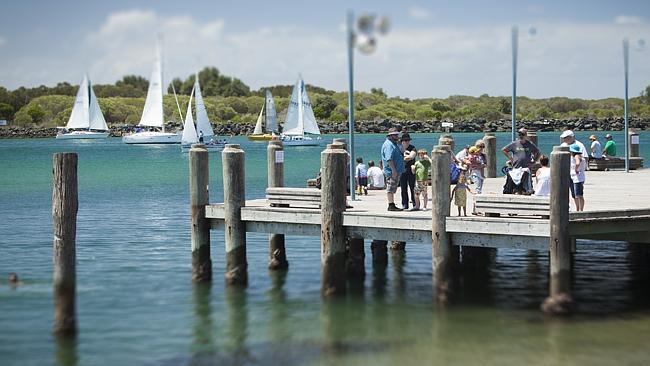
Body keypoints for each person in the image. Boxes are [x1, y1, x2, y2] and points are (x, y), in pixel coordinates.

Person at [501, 128, 540, 193]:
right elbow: (504, 150)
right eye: (519, 134)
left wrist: (534, 162)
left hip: (526, 168)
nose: (521, 136)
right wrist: (511, 158)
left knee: (527, 183)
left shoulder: (530, 144)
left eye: (523, 134)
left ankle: (528, 191)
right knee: (516, 183)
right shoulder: (514, 144)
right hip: (516, 167)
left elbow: (538, 152)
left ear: (526, 135)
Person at [381, 127, 405, 211]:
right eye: (394, 135)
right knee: (390, 187)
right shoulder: (388, 145)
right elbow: (389, 159)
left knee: (393, 187)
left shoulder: (394, 144)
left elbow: (402, 152)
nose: (396, 136)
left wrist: (400, 144)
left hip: (397, 169)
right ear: (390, 135)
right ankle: (391, 205)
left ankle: (392, 204)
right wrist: (393, 170)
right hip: (391, 171)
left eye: (397, 134)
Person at [399, 133, 417, 210]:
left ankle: (415, 203)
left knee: (412, 187)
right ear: (402, 141)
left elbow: (411, 157)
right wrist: (405, 156)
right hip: (402, 170)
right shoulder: (399, 148)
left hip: (411, 170)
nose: (406, 142)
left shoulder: (412, 148)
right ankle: (404, 204)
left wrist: (403, 156)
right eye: (405, 140)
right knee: (403, 188)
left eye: (408, 140)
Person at [569, 143, 586, 211]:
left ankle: (580, 210)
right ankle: (578, 209)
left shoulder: (577, 156)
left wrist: (576, 169)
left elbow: (578, 163)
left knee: (579, 195)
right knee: (575, 195)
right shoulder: (577, 156)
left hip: (577, 178)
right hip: (573, 177)